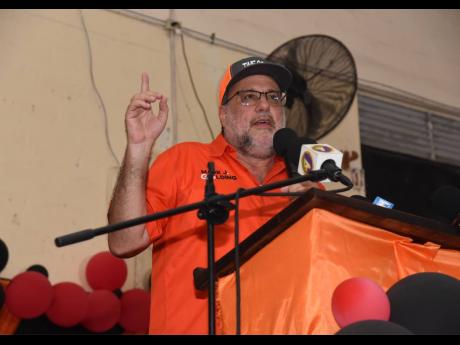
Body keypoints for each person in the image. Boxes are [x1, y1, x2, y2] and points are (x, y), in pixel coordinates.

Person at [107, 56, 322, 334]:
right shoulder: (184, 160)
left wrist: (306, 215)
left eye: (274, 97)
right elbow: (124, 241)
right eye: (248, 97)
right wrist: (138, 148)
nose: (264, 105)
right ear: (223, 114)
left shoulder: (305, 181)